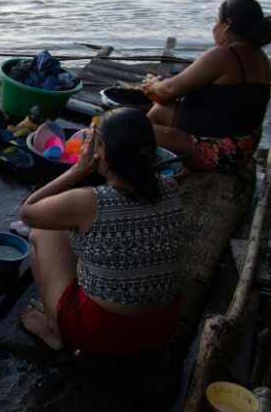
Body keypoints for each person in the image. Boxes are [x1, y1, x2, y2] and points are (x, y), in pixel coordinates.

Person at [18, 108, 184, 356]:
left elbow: (28, 212)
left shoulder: (90, 202)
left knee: (42, 233)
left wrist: (78, 170)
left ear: (102, 150)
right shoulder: (170, 187)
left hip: (101, 334)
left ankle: (54, 330)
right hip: (161, 328)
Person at [142, 0, 271, 174]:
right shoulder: (259, 56)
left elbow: (169, 90)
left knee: (134, 129)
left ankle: (151, 177)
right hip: (241, 147)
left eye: (215, 21)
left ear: (227, 24)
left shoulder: (224, 55)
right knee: (160, 110)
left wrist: (153, 84)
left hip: (219, 152)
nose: (213, 28)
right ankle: (157, 166)